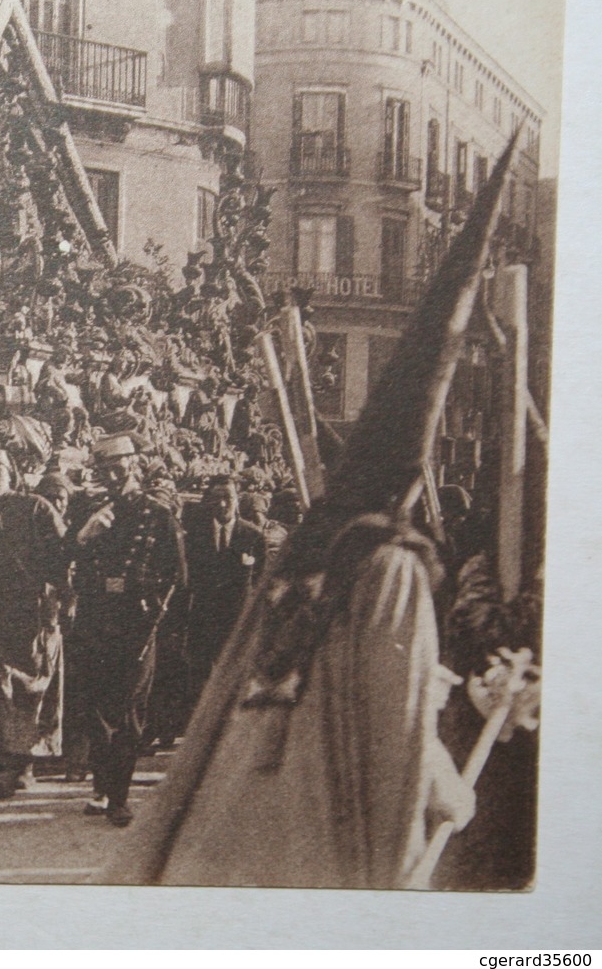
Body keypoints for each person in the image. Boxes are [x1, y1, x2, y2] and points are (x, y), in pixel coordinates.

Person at [102, 133, 520, 887]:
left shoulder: (301, 554)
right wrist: (447, 790)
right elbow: (391, 736)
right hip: (313, 849)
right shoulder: (389, 569)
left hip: (219, 831)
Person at [69, 432, 186, 827]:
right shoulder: (93, 512)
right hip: (96, 622)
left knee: (129, 713)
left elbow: (175, 576)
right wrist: (84, 538)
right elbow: (68, 565)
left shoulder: (157, 515)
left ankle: (118, 795)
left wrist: (154, 622)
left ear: (133, 466)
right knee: (96, 713)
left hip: (137, 626)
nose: (113, 476)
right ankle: (102, 786)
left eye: (119, 468)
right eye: (105, 470)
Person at [0, 449, 68, 799]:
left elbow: (62, 554)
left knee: (31, 689)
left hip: (30, 614)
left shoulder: (35, 507)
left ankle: (24, 764)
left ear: (11, 473)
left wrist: (55, 602)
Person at [178, 475, 267, 718]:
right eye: (216, 499)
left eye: (227, 498)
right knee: (199, 674)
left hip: (236, 619)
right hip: (202, 616)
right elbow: (185, 578)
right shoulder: (194, 535)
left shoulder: (253, 536)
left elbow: (260, 583)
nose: (222, 505)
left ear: (237, 500)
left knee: (236, 675)